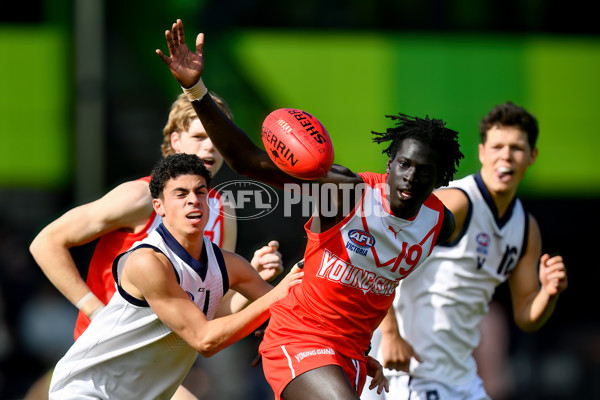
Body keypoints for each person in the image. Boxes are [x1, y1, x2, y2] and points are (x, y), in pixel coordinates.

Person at [156, 19, 464, 399]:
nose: (411, 177)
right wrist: (195, 88)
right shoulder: (344, 192)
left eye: (425, 172)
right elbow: (247, 161)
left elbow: (375, 288)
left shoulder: (440, 224)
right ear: (389, 164)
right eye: (404, 165)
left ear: (439, 179)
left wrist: (374, 342)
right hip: (301, 337)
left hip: (351, 352)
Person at [27, 93, 283, 399]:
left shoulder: (222, 211)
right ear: (176, 140)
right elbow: (46, 242)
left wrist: (249, 279)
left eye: (216, 137)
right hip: (109, 361)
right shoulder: (139, 197)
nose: (209, 146)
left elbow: (212, 313)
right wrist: (94, 310)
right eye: (199, 136)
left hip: (152, 370)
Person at [48, 153, 303, 399]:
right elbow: (205, 340)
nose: (193, 200)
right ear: (159, 206)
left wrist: (278, 332)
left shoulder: (230, 264)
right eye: (180, 194)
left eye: (200, 192)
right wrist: (278, 295)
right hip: (87, 391)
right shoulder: (147, 262)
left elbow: (290, 313)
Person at [361, 102, 569, 400]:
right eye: (497, 146)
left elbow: (526, 315)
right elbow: (378, 251)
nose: (506, 156)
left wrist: (549, 292)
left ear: (532, 156)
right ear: (482, 152)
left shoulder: (525, 228)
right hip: (411, 373)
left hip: (461, 377)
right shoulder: (458, 203)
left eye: (516, 148)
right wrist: (391, 334)